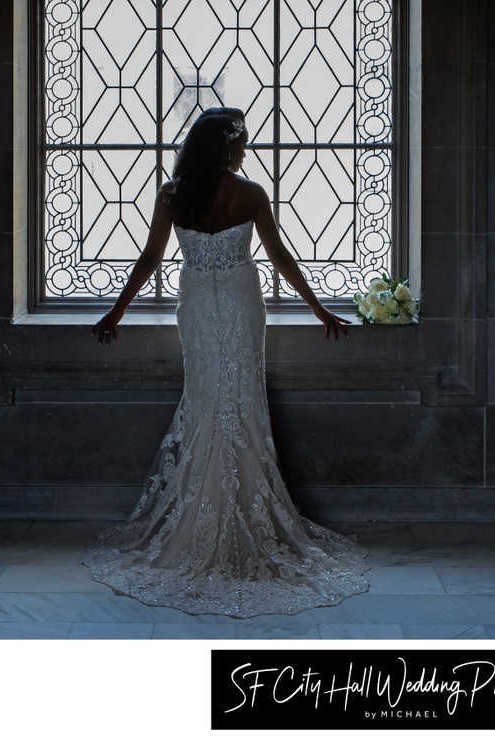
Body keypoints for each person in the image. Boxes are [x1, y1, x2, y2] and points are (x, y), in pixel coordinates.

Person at [80, 107, 368, 617]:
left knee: (210, 400)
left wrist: (116, 311)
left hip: (197, 303)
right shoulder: (251, 193)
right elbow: (280, 258)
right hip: (238, 300)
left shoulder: (173, 195)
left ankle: (209, 516)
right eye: (241, 143)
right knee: (235, 400)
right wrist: (318, 307)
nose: (245, 150)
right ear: (227, 146)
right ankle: (234, 514)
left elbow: (151, 259)